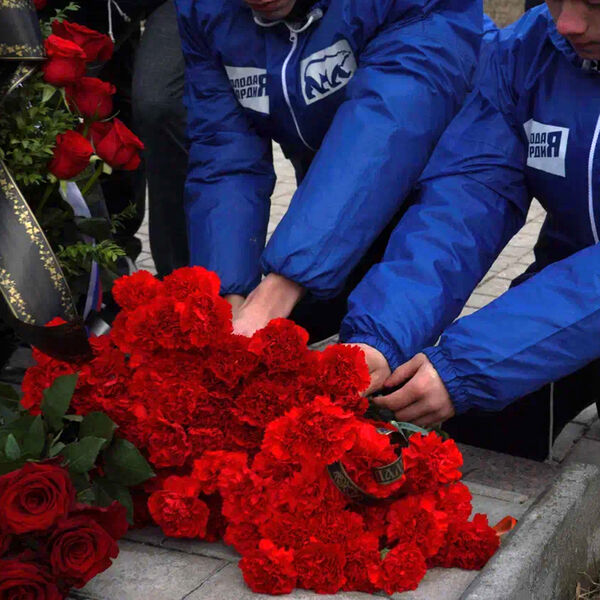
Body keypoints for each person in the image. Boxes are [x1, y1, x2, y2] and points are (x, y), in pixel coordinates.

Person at [340, 0, 600, 461]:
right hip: (565, 288)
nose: (567, 24)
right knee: (471, 422)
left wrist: (470, 363)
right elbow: (469, 194)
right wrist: (381, 335)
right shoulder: (530, 48)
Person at [174, 0, 483, 342]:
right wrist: (227, 295)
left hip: (440, 182)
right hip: (332, 198)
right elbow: (224, 150)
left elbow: (389, 122)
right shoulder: (206, 8)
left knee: (385, 338)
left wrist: (279, 288)